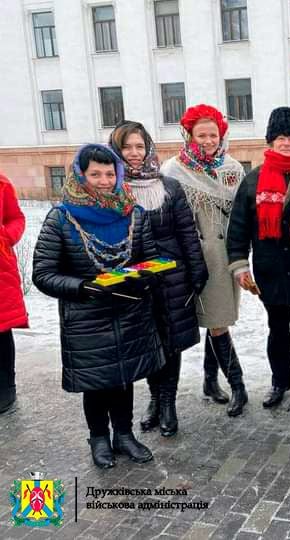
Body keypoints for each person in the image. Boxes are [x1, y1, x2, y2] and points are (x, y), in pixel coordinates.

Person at [32, 144, 163, 468]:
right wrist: (83, 287)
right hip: (87, 317)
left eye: (109, 174)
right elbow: (44, 273)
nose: (104, 181)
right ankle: (99, 438)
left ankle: (124, 435)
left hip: (129, 311)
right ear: (81, 175)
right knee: (97, 383)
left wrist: (144, 278)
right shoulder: (61, 218)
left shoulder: (133, 213)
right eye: (95, 174)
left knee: (123, 378)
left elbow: (149, 258)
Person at [109, 121, 209, 436]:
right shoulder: (111, 189)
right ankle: (153, 398)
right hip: (133, 280)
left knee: (171, 341)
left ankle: (168, 402)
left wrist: (196, 270)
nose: (135, 153)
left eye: (140, 146)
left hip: (171, 277)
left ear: (149, 148)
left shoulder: (168, 186)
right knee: (146, 340)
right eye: (127, 147)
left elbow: (186, 231)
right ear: (116, 150)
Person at [226, 106, 290, 410]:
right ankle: (281, 380)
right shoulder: (254, 180)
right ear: (270, 141)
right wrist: (240, 266)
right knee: (277, 329)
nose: (286, 142)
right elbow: (239, 227)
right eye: (280, 137)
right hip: (272, 269)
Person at [161, 104, 248, 423]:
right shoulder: (173, 170)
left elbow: (241, 216)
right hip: (188, 256)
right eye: (201, 134)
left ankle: (223, 383)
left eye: (214, 134)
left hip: (223, 257)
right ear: (189, 135)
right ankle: (227, 384)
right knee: (206, 321)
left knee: (218, 319)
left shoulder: (233, 169)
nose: (208, 140)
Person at [0, 173, 28, 414]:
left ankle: (5, 387)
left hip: (0, 268)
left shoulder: (2, 183)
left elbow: (15, 218)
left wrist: (6, 237)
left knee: (1, 329)